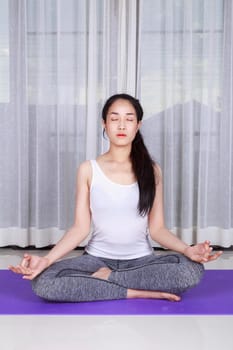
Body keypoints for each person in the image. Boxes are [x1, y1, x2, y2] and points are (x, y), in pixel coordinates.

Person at [9, 93, 222, 302]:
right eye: (114, 119)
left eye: (129, 119)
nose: (121, 126)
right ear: (104, 123)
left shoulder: (152, 170)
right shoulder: (88, 169)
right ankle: (136, 291)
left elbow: (157, 230)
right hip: (95, 260)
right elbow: (80, 228)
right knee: (44, 281)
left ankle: (109, 280)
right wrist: (46, 261)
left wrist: (188, 249)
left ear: (137, 125)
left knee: (191, 270)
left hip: (141, 262)